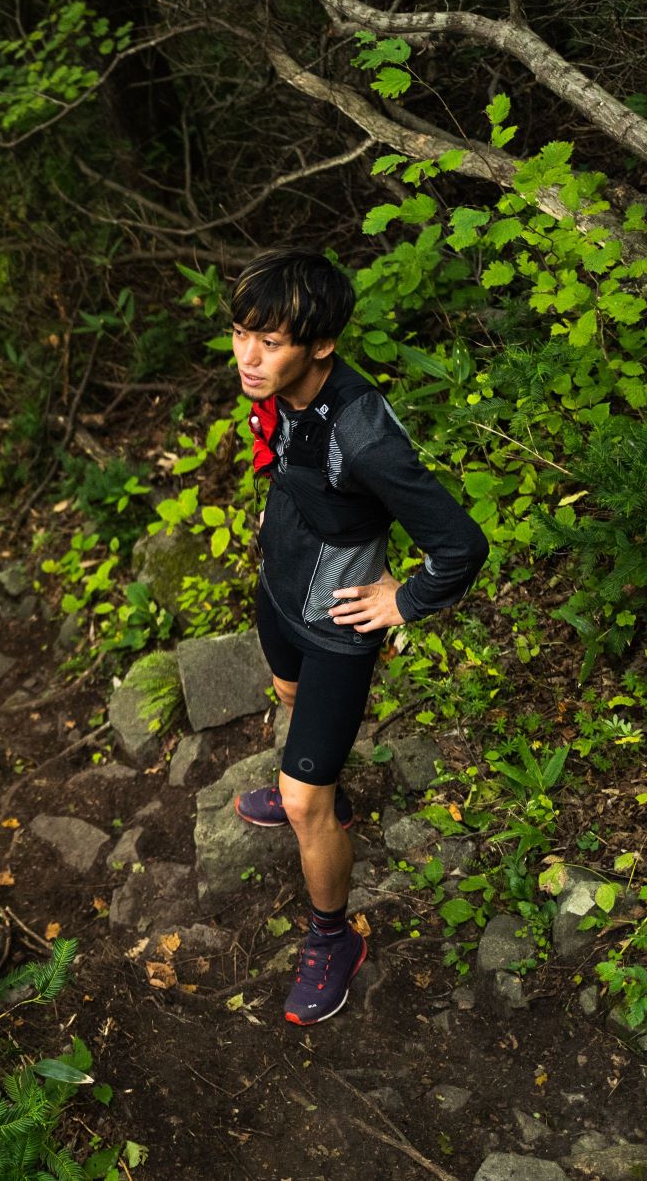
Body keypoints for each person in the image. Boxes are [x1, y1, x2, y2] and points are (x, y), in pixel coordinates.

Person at [225, 249, 489, 1026]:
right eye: (242, 334)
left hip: (337, 628)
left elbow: (461, 544)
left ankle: (332, 937)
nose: (248, 357)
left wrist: (402, 600)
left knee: (309, 803)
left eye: (269, 343)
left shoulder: (364, 434)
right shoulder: (275, 388)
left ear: (321, 345)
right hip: (279, 594)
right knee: (285, 693)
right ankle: (308, 781)